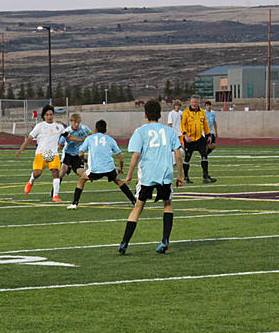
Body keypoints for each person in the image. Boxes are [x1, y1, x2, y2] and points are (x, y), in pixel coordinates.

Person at [118, 100, 183, 254]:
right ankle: (165, 240)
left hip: (147, 174)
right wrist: (180, 176)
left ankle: (124, 243)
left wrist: (129, 174)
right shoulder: (169, 131)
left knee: (138, 207)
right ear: (160, 115)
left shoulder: (140, 131)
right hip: (165, 174)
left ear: (145, 115)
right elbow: (178, 155)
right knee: (167, 205)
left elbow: (135, 155)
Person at [67, 120, 136, 209]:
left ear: (95, 129)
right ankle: (134, 201)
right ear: (105, 130)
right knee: (118, 181)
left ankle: (74, 203)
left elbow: (80, 153)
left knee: (81, 180)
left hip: (95, 169)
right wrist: (121, 169)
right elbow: (121, 158)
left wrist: (83, 160)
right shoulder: (110, 139)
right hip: (109, 168)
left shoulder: (89, 138)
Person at [15, 105, 65, 202]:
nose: (49, 116)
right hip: (41, 154)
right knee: (37, 173)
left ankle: (55, 196)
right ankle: (31, 181)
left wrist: (78, 140)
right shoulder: (39, 126)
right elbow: (29, 138)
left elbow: (68, 136)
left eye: (51, 114)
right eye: (47, 115)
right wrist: (21, 149)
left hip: (53, 154)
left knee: (56, 172)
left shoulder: (59, 127)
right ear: (44, 116)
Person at [180, 95, 213, 183]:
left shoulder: (202, 112)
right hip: (189, 139)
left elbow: (205, 125)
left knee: (204, 155)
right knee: (187, 158)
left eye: (196, 102)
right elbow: (182, 125)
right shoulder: (186, 112)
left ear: (198, 103)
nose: (194, 104)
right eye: (193, 102)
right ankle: (186, 178)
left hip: (199, 138)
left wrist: (208, 135)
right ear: (191, 103)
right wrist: (185, 135)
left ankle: (205, 176)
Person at [59, 113, 91, 179]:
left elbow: (90, 134)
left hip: (78, 154)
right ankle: (55, 189)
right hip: (67, 153)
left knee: (84, 175)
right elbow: (61, 144)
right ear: (71, 121)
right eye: (75, 122)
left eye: (78, 122)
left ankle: (71, 167)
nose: (76, 124)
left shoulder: (84, 128)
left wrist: (88, 137)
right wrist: (60, 144)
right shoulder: (67, 131)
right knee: (62, 172)